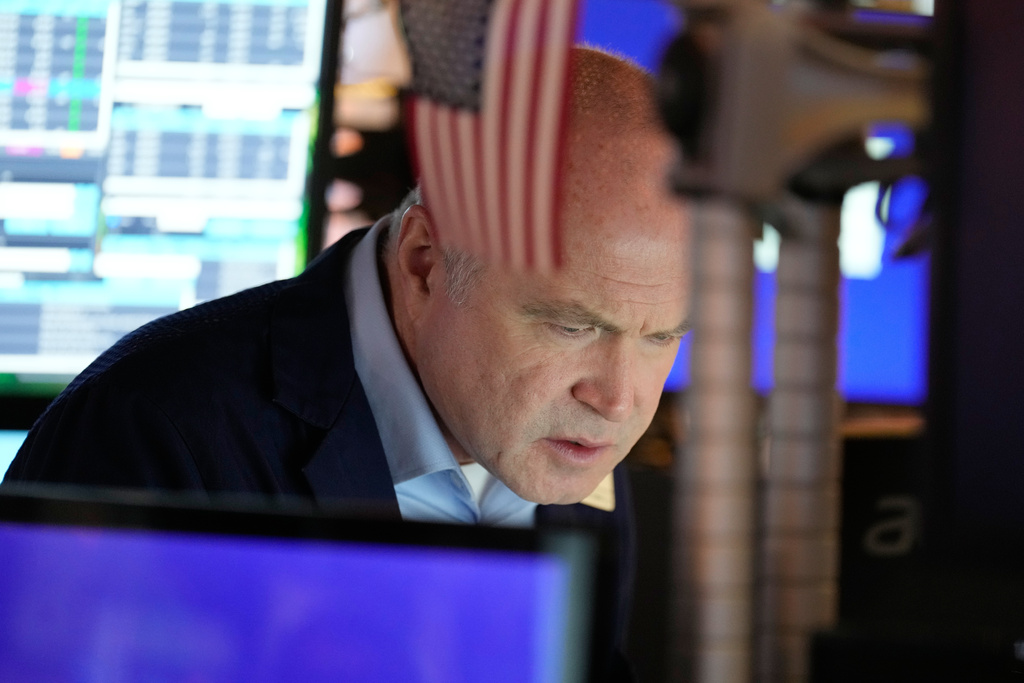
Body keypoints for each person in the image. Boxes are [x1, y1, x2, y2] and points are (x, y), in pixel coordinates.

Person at [4, 47, 690, 677]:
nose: (619, 399)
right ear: (425, 262)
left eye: (662, 337)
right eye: (571, 326)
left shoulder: (568, 438)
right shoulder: (152, 440)